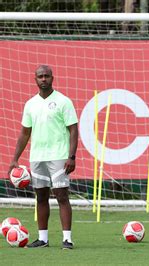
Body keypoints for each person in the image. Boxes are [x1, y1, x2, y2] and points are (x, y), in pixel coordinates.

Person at [7, 65, 78, 249]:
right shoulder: (30, 104)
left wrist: (71, 156)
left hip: (59, 156)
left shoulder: (63, 101)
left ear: (52, 78)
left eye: (46, 76)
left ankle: (67, 239)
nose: (43, 79)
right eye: (40, 76)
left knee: (62, 196)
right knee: (40, 197)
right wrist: (15, 158)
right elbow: (24, 133)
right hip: (37, 157)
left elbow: (73, 130)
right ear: (35, 79)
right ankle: (43, 239)